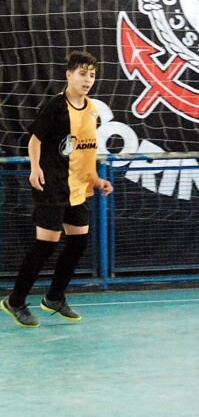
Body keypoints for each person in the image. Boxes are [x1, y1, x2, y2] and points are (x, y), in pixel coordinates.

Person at [1, 51, 113, 328]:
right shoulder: (55, 106)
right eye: (82, 74)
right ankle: (15, 300)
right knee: (46, 243)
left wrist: (96, 179)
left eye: (92, 75)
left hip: (78, 187)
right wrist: (35, 168)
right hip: (51, 184)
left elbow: (87, 150)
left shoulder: (92, 109)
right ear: (69, 74)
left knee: (78, 242)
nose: (87, 80)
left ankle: (54, 297)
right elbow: (35, 140)